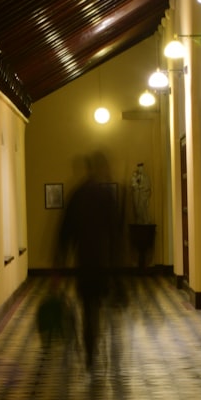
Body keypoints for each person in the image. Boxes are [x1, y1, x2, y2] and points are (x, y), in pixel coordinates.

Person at [56, 151, 122, 369]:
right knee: (98, 305)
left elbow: (65, 233)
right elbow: (116, 233)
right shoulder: (106, 196)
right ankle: (96, 341)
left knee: (87, 306)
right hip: (103, 263)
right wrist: (118, 266)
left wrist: (60, 264)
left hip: (84, 263)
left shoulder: (78, 195)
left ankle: (90, 348)